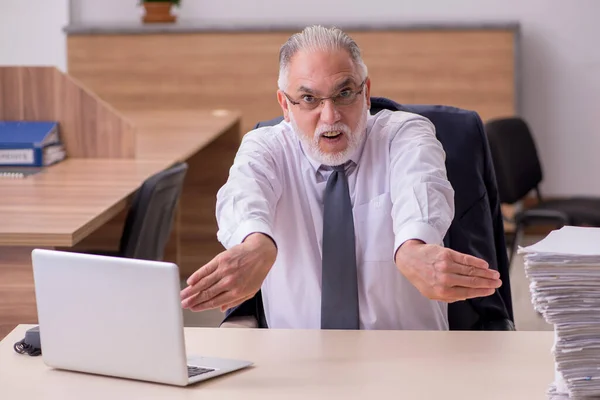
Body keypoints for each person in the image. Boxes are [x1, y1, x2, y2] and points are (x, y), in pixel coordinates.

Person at [180, 25, 502, 330]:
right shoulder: (267, 146)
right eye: (309, 99)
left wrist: (413, 246)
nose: (330, 116)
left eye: (344, 93)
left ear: (366, 92)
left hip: (406, 364)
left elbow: (422, 185)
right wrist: (256, 245)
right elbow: (243, 193)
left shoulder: (404, 133)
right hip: (298, 366)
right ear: (285, 105)